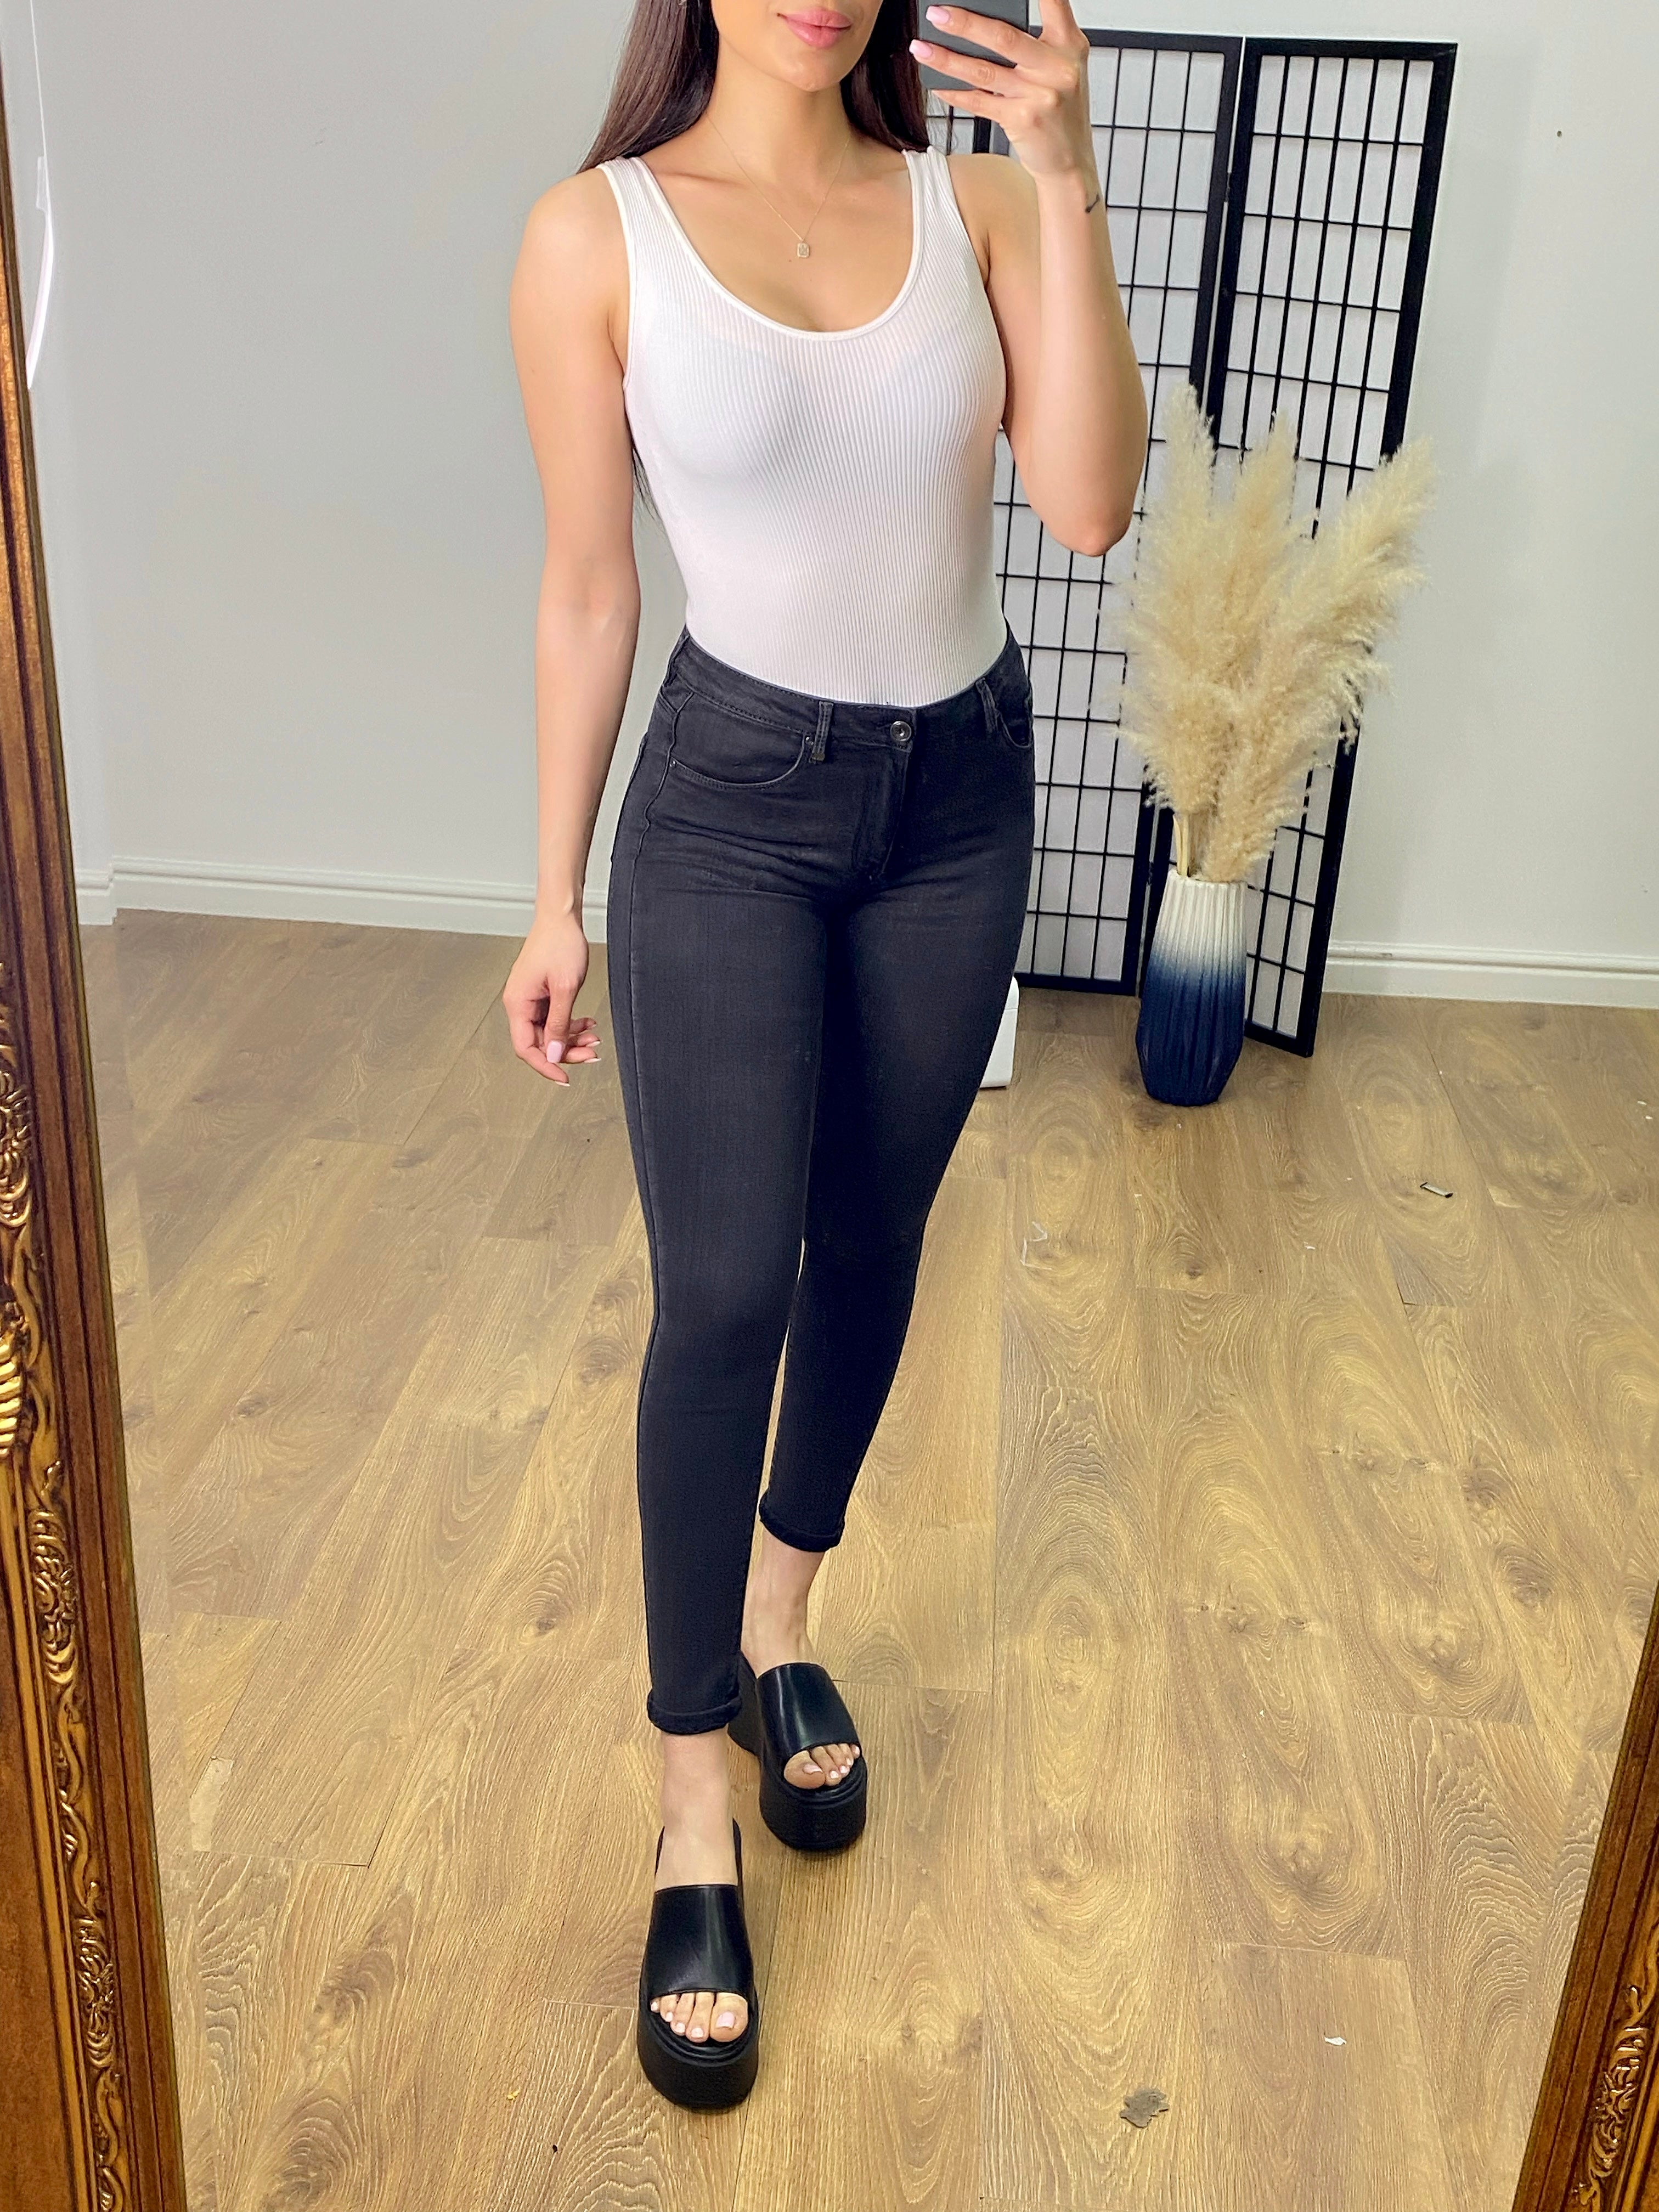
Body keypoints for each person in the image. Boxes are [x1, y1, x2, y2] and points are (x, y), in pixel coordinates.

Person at [502, 0, 1146, 2108]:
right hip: (727, 810)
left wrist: (1065, 171)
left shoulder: (977, 209)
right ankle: (694, 1787)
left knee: (871, 1246)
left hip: (957, 802)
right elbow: (588, 589)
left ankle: (781, 1623)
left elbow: (1089, 506)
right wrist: (553, 895)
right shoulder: (597, 236)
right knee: (722, 1294)